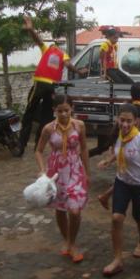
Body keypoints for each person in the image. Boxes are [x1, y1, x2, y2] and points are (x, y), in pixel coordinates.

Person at [97, 103, 140, 277]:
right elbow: (118, 152)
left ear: (136, 121)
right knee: (116, 218)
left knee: (139, 217)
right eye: (122, 120)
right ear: (118, 120)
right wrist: (108, 161)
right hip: (122, 182)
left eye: (129, 121)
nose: (125, 124)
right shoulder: (118, 135)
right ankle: (117, 259)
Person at [34, 94, 89, 263]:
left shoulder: (79, 125)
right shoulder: (49, 129)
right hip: (56, 171)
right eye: (60, 111)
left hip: (75, 169)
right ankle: (67, 240)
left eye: (66, 110)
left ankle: (72, 243)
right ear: (54, 111)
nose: (64, 114)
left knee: (74, 210)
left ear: (72, 109)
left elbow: (85, 148)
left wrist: (88, 172)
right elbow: (38, 150)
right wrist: (42, 170)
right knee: (60, 208)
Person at [20, 15, 76, 154]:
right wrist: (79, 71)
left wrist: (31, 29)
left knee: (29, 114)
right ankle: (38, 146)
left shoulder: (47, 49)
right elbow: (69, 66)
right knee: (45, 117)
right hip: (51, 87)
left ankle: (21, 146)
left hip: (40, 84)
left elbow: (38, 40)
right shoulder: (63, 55)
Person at [97, 81, 140, 210]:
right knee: (128, 174)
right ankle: (108, 197)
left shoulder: (129, 106)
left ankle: (105, 196)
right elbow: (138, 129)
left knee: (125, 174)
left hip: (124, 141)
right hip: (131, 143)